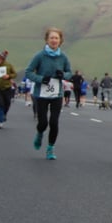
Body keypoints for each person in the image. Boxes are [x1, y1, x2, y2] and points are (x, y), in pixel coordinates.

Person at [25, 28, 73, 160]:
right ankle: (40, 133)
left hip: (57, 94)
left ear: (60, 41)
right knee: (43, 123)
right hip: (41, 94)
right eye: (51, 38)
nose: (54, 40)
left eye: (56, 38)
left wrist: (63, 75)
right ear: (47, 40)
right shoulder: (39, 56)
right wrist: (41, 79)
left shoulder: (63, 57)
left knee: (54, 122)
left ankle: (50, 148)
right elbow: (28, 72)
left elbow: (70, 73)